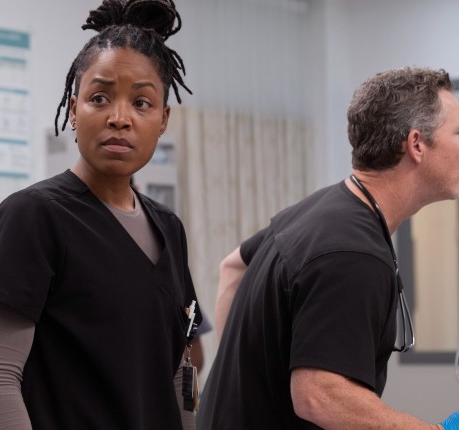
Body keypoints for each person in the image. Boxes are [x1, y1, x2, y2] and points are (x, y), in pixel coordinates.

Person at [0, 1, 202, 429]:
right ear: (74, 110)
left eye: (142, 103)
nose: (120, 118)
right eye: (99, 98)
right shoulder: (33, 217)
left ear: (163, 120)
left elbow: (178, 373)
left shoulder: (169, 228)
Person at [196, 66, 459, 429]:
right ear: (416, 145)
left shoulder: (320, 210)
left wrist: (246, 379)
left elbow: (232, 268)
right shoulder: (354, 253)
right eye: (457, 133)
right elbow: (319, 396)